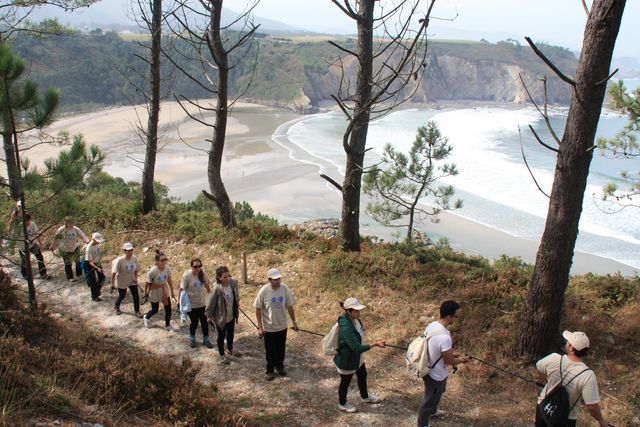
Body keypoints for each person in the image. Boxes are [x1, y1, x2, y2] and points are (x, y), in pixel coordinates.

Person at [535, 331, 607, 427]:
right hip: (566, 418)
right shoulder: (587, 375)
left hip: (543, 409)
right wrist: (601, 421)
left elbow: (539, 371)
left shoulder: (553, 358)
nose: (566, 343)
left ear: (571, 348)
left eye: (568, 342)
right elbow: (591, 406)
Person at [417, 300, 470, 427]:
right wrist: (462, 360)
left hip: (431, 368)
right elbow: (449, 361)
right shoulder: (445, 338)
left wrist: (452, 354)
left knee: (437, 393)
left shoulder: (433, 325)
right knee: (428, 401)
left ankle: (433, 411)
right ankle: (422, 423)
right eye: (456, 316)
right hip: (436, 375)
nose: (457, 319)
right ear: (448, 317)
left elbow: (437, 349)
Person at [334, 297, 386, 413]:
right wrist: (375, 344)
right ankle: (342, 404)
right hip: (347, 360)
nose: (359, 313)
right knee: (345, 382)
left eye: (359, 310)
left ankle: (365, 397)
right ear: (348, 311)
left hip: (357, 359)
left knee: (362, 375)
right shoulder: (346, 327)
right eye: (356, 311)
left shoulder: (356, 321)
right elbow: (356, 348)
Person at [254, 267, 298, 381]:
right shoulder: (264, 291)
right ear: (269, 280)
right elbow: (258, 309)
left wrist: (294, 322)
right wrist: (260, 327)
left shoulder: (284, 288)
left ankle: (280, 367)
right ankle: (269, 370)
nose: (278, 281)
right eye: (275, 279)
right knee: (270, 351)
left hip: (282, 326)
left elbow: (289, 306)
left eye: (279, 278)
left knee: (281, 349)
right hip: (269, 328)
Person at [206, 266, 241, 364]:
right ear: (219, 278)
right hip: (221, 317)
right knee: (221, 336)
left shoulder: (233, 283)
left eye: (228, 276)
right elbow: (210, 303)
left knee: (231, 333)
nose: (227, 279)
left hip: (231, 315)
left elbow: (236, 294)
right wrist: (209, 316)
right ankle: (222, 354)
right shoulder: (216, 289)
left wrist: (237, 302)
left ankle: (230, 349)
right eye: (225, 277)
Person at [179, 258, 212, 349]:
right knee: (194, 322)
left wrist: (211, 299)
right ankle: (192, 337)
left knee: (204, 322)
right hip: (191, 304)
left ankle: (206, 338)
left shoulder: (203, 274)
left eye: (199, 266)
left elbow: (208, 287)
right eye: (195, 266)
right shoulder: (187, 275)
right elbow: (182, 289)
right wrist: (180, 303)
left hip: (202, 303)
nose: (198, 268)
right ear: (191, 267)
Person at [143, 250, 177, 331]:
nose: (164, 262)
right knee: (155, 309)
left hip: (164, 290)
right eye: (162, 260)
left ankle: (167, 325)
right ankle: (147, 317)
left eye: (165, 259)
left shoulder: (167, 268)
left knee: (168, 308)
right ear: (157, 261)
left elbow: (169, 280)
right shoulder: (152, 271)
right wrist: (146, 293)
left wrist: (172, 291)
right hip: (154, 291)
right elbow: (147, 283)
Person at [18, 213, 51, 280]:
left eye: (29, 220)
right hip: (23, 247)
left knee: (40, 258)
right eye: (26, 221)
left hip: (33, 245)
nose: (28, 222)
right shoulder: (19, 227)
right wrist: (22, 248)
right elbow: (16, 238)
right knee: (24, 261)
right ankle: (25, 274)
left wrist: (41, 244)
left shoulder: (32, 224)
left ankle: (43, 274)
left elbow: (37, 234)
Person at [111, 242, 141, 317]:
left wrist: (136, 278)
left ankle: (137, 311)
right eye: (128, 250)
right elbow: (114, 272)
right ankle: (116, 306)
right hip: (122, 280)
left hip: (131, 279)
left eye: (131, 250)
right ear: (124, 251)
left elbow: (136, 269)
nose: (130, 252)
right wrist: (112, 283)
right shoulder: (120, 260)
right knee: (122, 295)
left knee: (136, 295)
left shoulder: (134, 258)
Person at [55, 218, 89, 282]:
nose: (72, 224)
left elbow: (82, 235)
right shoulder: (61, 230)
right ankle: (70, 277)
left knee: (77, 262)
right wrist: (52, 245)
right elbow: (56, 238)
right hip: (64, 249)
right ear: (66, 223)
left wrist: (87, 241)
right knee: (68, 263)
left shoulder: (75, 229)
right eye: (70, 223)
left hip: (74, 247)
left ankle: (79, 275)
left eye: (73, 223)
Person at [83, 232, 106, 301]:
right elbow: (89, 261)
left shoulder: (97, 245)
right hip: (90, 264)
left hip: (97, 263)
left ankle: (97, 291)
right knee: (93, 281)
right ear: (93, 239)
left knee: (102, 277)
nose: (99, 242)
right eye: (97, 240)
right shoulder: (89, 248)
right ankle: (94, 296)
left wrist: (99, 265)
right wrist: (97, 268)